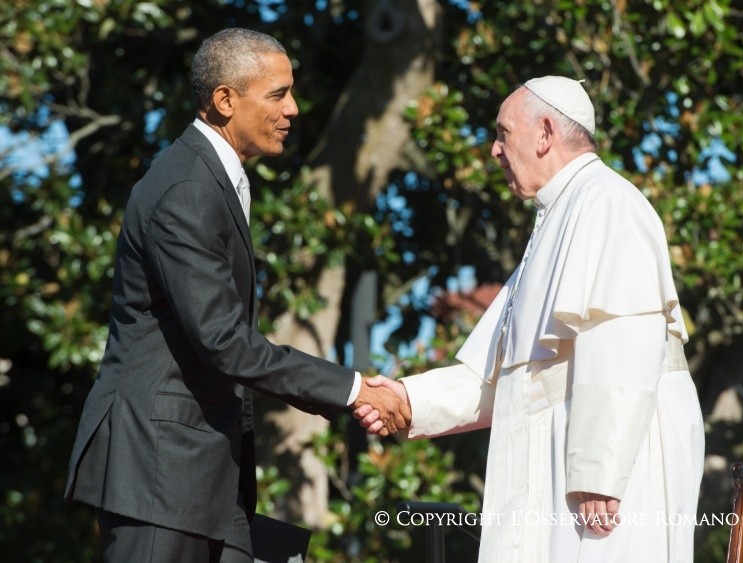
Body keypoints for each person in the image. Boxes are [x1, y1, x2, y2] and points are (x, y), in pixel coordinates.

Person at [64, 28, 408, 563]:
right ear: (225, 100)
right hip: (159, 476)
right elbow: (223, 340)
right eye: (278, 94)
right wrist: (354, 390)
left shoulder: (211, 180)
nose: (293, 109)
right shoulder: (187, 188)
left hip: (207, 481)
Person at [356, 76, 705, 562]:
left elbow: (624, 341)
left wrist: (599, 473)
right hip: (563, 466)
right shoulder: (561, 213)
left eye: (503, 133)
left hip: (611, 473)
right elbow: (509, 376)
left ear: (545, 133)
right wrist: (408, 399)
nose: (494, 151)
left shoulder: (607, 201)